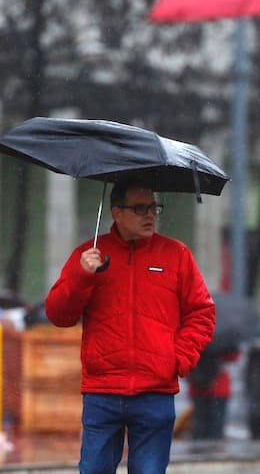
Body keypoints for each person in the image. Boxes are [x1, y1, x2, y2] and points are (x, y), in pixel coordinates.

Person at [45, 179, 215, 474]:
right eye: (139, 208)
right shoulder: (89, 256)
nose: (149, 214)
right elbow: (59, 315)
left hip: (155, 393)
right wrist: (82, 276)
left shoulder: (176, 255)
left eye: (153, 207)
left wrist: (178, 359)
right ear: (116, 212)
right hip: (103, 392)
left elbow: (202, 313)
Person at [186, 347, 240, 440]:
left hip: (198, 387)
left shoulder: (191, 340)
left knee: (200, 421)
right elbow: (234, 357)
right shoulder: (222, 342)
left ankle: (200, 445)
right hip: (219, 388)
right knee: (216, 423)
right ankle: (214, 447)